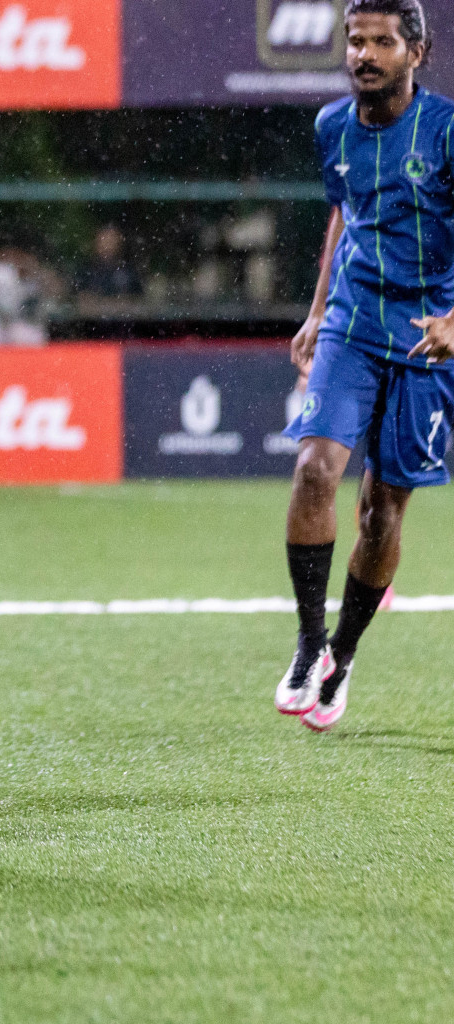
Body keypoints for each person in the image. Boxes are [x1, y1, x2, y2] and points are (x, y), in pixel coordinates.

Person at [277, 0, 453, 732]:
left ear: (417, 51)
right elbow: (343, 213)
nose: (365, 54)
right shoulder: (332, 127)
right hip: (353, 321)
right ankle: (310, 642)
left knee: (382, 512)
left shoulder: (444, 130)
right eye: (355, 40)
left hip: (426, 336)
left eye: (382, 41)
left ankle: (343, 658)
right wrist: (318, 311)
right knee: (316, 468)